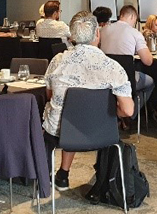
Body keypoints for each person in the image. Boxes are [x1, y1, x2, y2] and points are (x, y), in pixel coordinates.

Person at [43, 11, 134, 191]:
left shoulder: (57, 61)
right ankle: (67, 174)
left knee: (69, 117)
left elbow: (49, 96)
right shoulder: (112, 67)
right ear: (97, 34)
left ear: (72, 35)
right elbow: (128, 111)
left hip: (60, 131)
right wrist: (111, 111)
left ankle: (50, 178)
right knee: (79, 117)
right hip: (101, 133)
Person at [100, 5, 155, 122]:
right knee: (150, 82)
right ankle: (129, 114)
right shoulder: (135, 33)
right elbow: (148, 61)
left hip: (105, 77)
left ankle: (118, 112)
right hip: (126, 78)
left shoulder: (103, 30)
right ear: (132, 16)